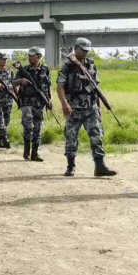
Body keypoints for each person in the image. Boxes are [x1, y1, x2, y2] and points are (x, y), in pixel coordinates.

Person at [56, 37, 116, 176]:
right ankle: (70, 166)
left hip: (91, 108)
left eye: (87, 51)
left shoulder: (91, 65)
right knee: (71, 138)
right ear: (75, 48)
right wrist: (64, 103)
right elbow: (60, 87)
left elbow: (96, 89)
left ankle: (100, 167)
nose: (86, 53)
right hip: (74, 109)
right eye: (83, 50)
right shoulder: (67, 66)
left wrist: (99, 107)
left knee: (97, 137)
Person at [13, 47, 50, 162]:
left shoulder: (45, 69)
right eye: (28, 56)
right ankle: (26, 151)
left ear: (38, 56)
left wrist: (50, 99)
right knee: (28, 126)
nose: (29, 58)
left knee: (38, 127)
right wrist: (20, 81)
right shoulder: (24, 70)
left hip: (40, 103)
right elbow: (13, 83)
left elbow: (48, 86)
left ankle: (35, 153)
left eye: (31, 56)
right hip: (27, 102)